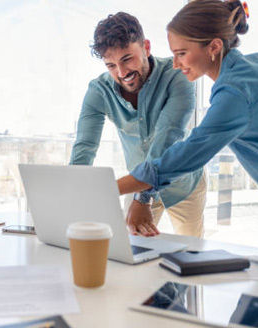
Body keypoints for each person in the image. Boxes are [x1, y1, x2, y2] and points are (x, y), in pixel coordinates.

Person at [117, 0, 258, 257]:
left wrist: (109, 187)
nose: (175, 63)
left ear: (214, 47)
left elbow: (189, 153)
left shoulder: (235, 93)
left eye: (182, 53)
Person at [70, 12, 206, 237]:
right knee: (133, 253)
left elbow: (166, 139)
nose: (122, 73)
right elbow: (84, 147)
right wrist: (70, 193)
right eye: (111, 65)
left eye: (127, 59)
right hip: (136, 187)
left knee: (191, 252)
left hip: (184, 185)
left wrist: (143, 198)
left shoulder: (177, 77)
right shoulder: (99, 91)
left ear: (146, 47)